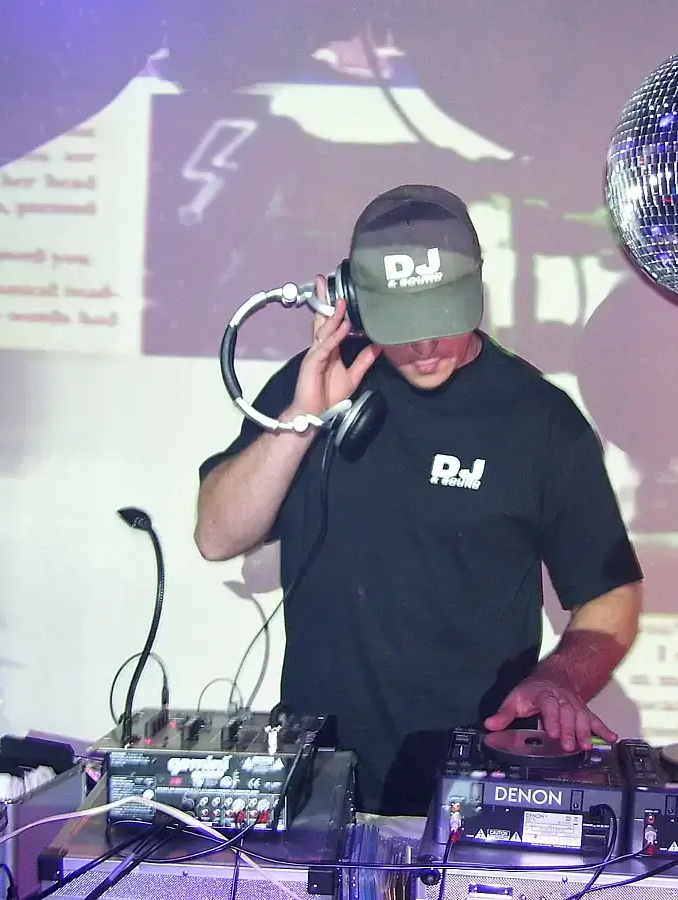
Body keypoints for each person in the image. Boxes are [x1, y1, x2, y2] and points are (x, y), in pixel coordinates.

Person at [195, 184, 644, 815]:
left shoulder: (540, 420)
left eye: (442, 318)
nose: (427, 346)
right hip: (318, 779)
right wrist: (300, 420)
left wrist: (558, 676)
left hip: (473, 784)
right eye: (405, 326)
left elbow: (611, 594)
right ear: (355, 302)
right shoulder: (311, 391)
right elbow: (217, 536)